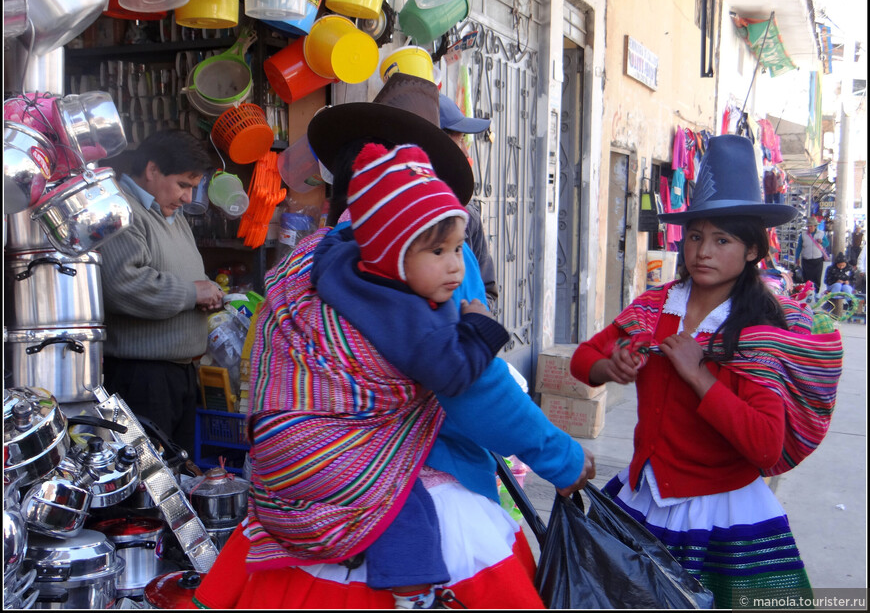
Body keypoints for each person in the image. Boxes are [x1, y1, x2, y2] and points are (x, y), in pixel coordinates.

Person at [194, 74, 595, 610]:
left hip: (301, 504)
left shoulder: (306, 261)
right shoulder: (425, 261)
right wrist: (562, 459)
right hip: (415, 498)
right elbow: (472, 388)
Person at [569, 135, 843, 609]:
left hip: (723, 517)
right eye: (696, 236)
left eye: (722, 239)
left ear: (754, 251)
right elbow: (583, 360)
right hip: (645, 499)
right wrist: (608, 366)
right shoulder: (656, 307)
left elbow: (764, 443)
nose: (703, 251)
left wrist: (699, 376)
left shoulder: (757, 333)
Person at [99, 130, 224, 458]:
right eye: (183, 185)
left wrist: (207, 293)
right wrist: (192, 293)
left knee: (177, 477)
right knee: (148, 484)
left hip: (179, 374)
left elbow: (180, 275)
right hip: (142, 378)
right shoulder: (120, 210)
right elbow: (122, 284)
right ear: (152, 170)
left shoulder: (170, 214)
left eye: (192, 188)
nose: (187, 198)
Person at [439, 94, 498, 310]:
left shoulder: (467, 214)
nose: (466, 151)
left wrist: (473, 322)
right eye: (460, 139)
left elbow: (487, 289)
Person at [796, 217, 829, 298]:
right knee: (807, 278)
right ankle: (809, 294)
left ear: (815, 226)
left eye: (811, 226)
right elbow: (799, 246)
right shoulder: (803, 235)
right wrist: (797, 257)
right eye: (808, 226)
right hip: (806, 259)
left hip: (818, 259)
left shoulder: (821, 233)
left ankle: (817, 293)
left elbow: (827, 244)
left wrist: (822, 241)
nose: (809, 228)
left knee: (817, 277)